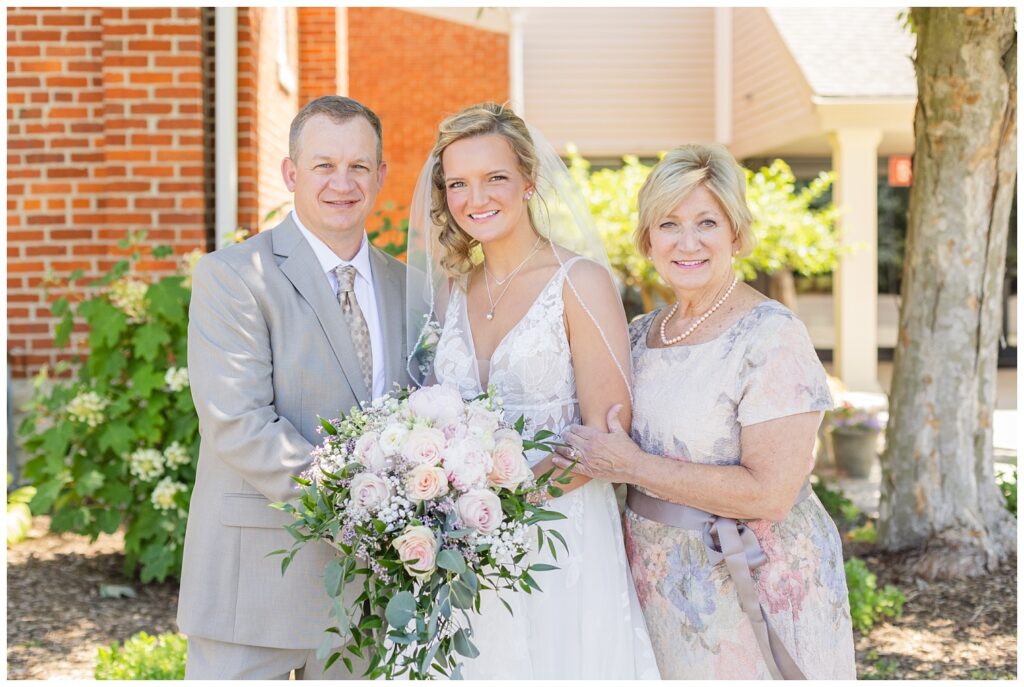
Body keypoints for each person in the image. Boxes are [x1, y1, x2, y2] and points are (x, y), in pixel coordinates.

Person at [553, 144, 856, 679]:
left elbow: (771, 493)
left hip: (754, 583)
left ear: (736, 234)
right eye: (668, 224)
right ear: (648, 239)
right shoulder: (640, 335)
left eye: (707, 222)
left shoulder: (770, 335)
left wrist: (632, 467)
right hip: (654, 584)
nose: (686, 242)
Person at [405, 102, 659, 679]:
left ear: (528, 180)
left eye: (495, 177)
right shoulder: (451, 290)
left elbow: (607, 435)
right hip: (463, 542)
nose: (477, 198)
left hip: (559, 535)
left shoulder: (581, 283)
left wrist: (505, 509)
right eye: (458, 184)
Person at [177, 96, 409, 679]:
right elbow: (239, 422)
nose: (342, 182)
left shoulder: (412, 288)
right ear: (291, 173)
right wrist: (365, 512)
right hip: (253, 590)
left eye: (359, 166)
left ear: (381, 175)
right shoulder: (233, 277)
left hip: (366, 603)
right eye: (323, 165)